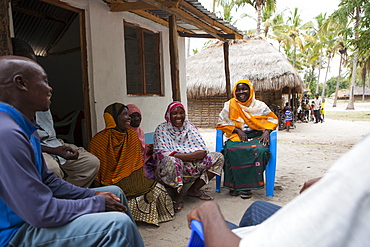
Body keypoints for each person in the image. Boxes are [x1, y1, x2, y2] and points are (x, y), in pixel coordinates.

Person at [0, 56, 144, 246]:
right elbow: (39, 212)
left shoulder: (26, 127)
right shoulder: (7, 133)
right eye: (43, 80)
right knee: (117, 226)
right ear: (21, 83)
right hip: (16, 232)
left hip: (33, 216)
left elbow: (49, 181)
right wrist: (96, 203)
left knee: (115, 192)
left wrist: (91, 195)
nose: (49, 88)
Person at [187, 133, 370, 246]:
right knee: (257, 207)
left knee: (259, 151)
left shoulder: (359, 173)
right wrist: (329, 182)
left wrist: (209, 212)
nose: (242, 92)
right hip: (237, 140)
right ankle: (240, 187)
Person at [12, 37, 100, 188]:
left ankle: (68, 198)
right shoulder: (10, 99)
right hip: (33, 148)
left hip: (53, 142)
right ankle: (56, 203)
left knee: (90, 163)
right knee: (51, 170)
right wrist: (54, 151)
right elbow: (20, 142)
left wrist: (57, 148)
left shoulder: (36, 88)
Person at [88, 103, 175, 226]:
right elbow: (100, 173)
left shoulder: (132, 136)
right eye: (124, 115)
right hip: (108, 181)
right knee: (117, 195)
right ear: (112, 118)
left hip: (131, 177)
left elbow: (135, 165)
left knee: (158, 190)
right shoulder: (98, 141)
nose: (128, 118)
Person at [153, 101, 224, 212]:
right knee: (173, 161)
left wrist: (188, 156)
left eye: (181, 113)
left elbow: (202, 150)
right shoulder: (161, 129)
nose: (179, 116)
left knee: (218, 157)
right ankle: (178, 195)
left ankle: (194, 190)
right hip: (169, 171)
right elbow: (163, 154)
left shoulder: (189, 127)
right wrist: (192, 155)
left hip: (190, 167)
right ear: (168, 115)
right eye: (174, 113)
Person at [216, 80, 278, 199]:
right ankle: (235, 185)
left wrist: (267, 131)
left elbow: (273, 120)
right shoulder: (230, 105)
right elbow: (221, 123)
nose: (241, 92)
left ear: (250, 90)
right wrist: (237, 130)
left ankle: (246, 187)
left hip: (257, 136)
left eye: (244, 89)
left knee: (261, 151)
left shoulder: (260, 106)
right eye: (238, 90)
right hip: (237, 136)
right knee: (230, 150)